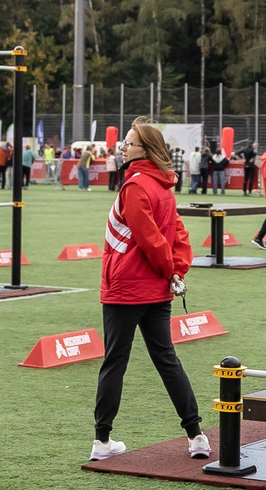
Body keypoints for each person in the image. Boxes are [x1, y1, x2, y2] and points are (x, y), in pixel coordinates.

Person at [87, 120, 206, 464]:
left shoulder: (136, 186)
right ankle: (196, 434)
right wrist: (176, 271)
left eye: (129, 143)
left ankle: (102, 440)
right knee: (167, 360)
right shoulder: (164, 187)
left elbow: (150, 238)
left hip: (126, 288)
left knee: (114, 363)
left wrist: (171, 269)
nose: (123, 148)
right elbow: (178, 235)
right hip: (155, 289)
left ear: (146, 150)